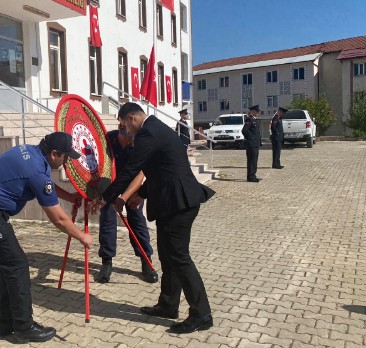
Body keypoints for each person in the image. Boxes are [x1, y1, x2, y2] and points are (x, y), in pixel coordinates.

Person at [91, 102, 214, 334]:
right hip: (172, 201)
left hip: (180, 203)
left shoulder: (148, 132)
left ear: (131, 118)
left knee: (179, 258)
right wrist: (141, 193)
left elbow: (130, 171)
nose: (124, 129)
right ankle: (168, 305)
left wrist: (105, 198)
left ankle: (201, 313)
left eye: (123, 124)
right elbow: (162, 170)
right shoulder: (158, 129)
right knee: (168, 257)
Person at [0, 132, 92, 343]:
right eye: (66, 157)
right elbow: (58, 219)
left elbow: (43, 185)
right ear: (54, 154)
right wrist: (82, 236)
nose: (67, 162)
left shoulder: (31, 152)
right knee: (17, 266)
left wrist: (69, 196)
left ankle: (6, 324)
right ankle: (24, 326)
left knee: (9, 265)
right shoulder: (36, 169)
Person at [97, 124, 158, 284]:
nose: (131, 141)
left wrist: (125, 197)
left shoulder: (139, 144)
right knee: (107, 221)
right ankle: (107, 262)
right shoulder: (107, 139)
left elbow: (141, 173)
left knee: (137, 220)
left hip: (132, 185)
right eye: (128, 137)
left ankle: (146, 261)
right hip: (110, 184)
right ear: (120, 130)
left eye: (133, 137)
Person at [242, 104, 262, 183]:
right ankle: (251, 177)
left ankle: (253, 175)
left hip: (255, 144)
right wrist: (251, 138)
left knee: (254, 160)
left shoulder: (254, 120)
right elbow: (244, 130)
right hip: (251, 144)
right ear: (252, 111)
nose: (257, 113)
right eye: (256, 111)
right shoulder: (249, 119)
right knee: (251, 161)